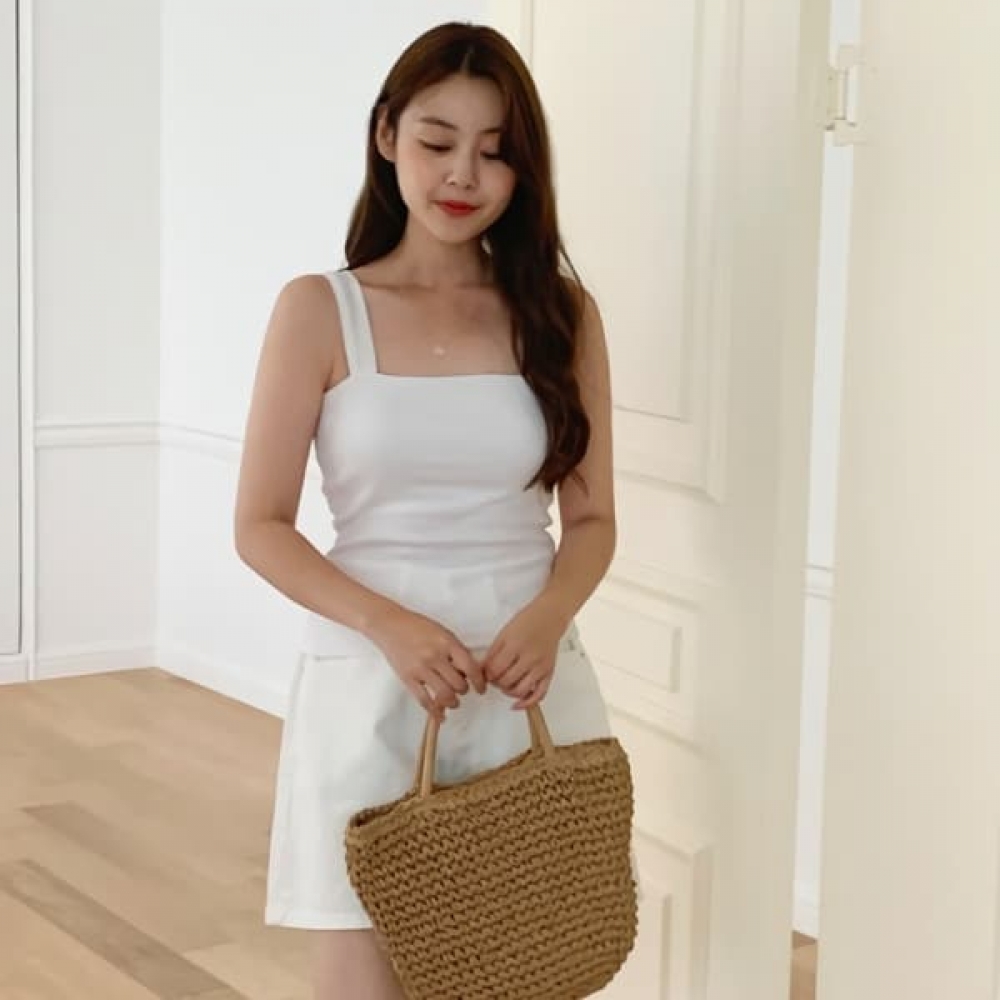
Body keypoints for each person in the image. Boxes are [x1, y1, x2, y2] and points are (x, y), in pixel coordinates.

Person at [234, 21, 618, 1000]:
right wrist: (389, 625)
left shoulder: (561, 316)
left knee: (527, 970)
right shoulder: (318, 310)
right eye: (437, 140)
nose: (463, 174)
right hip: (371, 681)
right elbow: (260, 525)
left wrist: (548, 616)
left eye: (495, 151)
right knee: (361, 977)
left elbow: (591, 520)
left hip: (527, 682)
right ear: (386, 136)